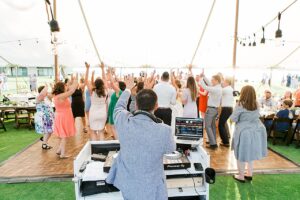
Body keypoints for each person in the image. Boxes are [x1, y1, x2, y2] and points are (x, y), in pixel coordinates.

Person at [106, 76, 176, 200]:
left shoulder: (123, 121)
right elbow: (171, 149)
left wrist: (127, 89)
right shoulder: (165, 130)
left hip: (129, 187)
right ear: (156, 106)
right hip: (153, 189)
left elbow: (118, 107)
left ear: (136, 105)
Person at [230, 85, 267, 183]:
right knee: (250, 153)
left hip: (244, 131)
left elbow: (233, 118)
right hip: (256, 130)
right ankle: (249, 174)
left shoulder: (240, 104)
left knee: (241, 153)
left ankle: (241, 176)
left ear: (242, 93)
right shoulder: (256, 104)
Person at [52, 76, 78, 159]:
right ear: (61, 88)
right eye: (64, 86)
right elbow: (72, 90)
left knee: (63, 134)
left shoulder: (57, 96)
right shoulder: (62, 96)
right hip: (64, 117)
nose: (65, 87)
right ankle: (62, 154)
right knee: (64, 136)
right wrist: (76, 80)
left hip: (61, 116)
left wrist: (71, 82)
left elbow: (69, 89)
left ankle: (59, 150)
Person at [199, 73, 222, 149]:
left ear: (216, 81)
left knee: (208, 126)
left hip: (211, 109)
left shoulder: (215, 89)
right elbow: (209, 84)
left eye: (212, 80)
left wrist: (201, 79)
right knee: (212, 126)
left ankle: (213, 144)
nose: (211, 81)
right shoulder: (217, 87)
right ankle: (213, 141)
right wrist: (204, 77)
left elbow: (205, 86)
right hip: (214, 109)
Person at [87, 62, 108, 141]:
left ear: (95, 84)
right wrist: (102, 68)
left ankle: (95, 150)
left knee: (93, 132)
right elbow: (105, 79)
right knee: (101, 132)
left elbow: (86, 81)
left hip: (93, 114)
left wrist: (87, 69)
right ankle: (101, 151)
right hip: (102, 114)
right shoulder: (105, 91)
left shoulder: (92, 91)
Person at [107, 68, 126, 139]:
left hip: (115, 112)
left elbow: (112, 83)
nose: (115, 84)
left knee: (114, 128)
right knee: (115, 128)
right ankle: (118, 140)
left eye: (116, 84)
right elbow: (116, 82)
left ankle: (118, 142)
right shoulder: (118, 92)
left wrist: (109, 73)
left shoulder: (119, 92)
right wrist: (113, 74)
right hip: (114, 111)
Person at [34, 84, 54, 150]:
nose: (47, 92)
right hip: (43, 118)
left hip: (49, 118)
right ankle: (44, 144)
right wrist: (46, 86)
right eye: (46, 91)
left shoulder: (47, 98)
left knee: (50, 131)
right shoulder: (39, 98)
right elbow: (42, 94)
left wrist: (52, 87)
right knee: (48, 131)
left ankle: (44, 140)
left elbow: (53, 94)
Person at [71, 64, 89, 133]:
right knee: (73, 117)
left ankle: (84, 127)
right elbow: (71, 81)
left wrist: (86, 70)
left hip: (80, 104)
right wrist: (73, 78)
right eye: (75, 82)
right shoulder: (71, 89)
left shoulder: (81, 89)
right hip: (74, 105)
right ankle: (72, 128)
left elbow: (85, 81)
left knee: (83, 117)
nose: (76, 83)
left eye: (77, 82)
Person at [218, 77, 234, 147]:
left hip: (226, 109)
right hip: (228, 109)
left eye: (224, 82)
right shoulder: (230, 89)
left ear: (227, 82)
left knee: (220, 125)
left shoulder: (226, 89)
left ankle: (226, 142)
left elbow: (218, 91)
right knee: (222, 124)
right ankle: (225, 140)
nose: (223, 83)